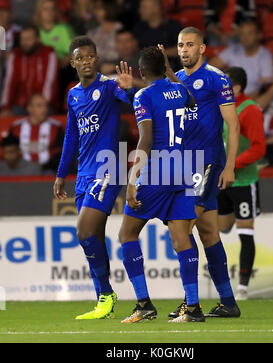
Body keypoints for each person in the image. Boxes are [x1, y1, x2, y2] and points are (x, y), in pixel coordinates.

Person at [118, 46, 205, 324]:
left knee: (127, 235)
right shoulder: (179, 90)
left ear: (141, 72)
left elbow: (145, 140)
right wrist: (170, 71)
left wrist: (132, 181)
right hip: (183, 171)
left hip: (157, 174)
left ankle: (144, 304)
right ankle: (192, 308)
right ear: (165, 67)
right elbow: (192, 101)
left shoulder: (143, 95)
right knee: (182, 240)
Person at [160, 26, 241, 318]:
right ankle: (228, 303)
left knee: (180, 228)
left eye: (190, 45)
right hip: (183, 165)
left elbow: (233, 124)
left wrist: (229, 165)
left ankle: (190, 303)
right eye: (180, 45)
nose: (184, 50)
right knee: (208, 232)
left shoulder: (216, 78)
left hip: (207, 162)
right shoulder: (178, 79)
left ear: (202, 49)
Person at [53, 36, 133, 320]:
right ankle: (104, 299)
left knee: (83, 231)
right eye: (80, 58)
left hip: (108, 169)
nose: (86, 62)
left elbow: (136, 102)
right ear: (72, 62)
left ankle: (106, 294)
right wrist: (62, 174)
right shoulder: (73, 94)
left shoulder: (110, 86)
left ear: (96, 59)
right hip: (84, 174)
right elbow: (72, 136)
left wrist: (131, 89)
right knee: (93, 236)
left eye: (90, 57)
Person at [218, 66, 266, 300]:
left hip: (243, 181)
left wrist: (232, 164)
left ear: (235, 88)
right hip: (221, 181)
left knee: (245, 232)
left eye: (224, 85)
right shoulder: (220, 108)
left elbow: (259, 147)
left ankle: (243, 287)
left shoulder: (250, 110)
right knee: (216, 227)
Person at [0, 24, 59, 116]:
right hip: (20, 105)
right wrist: (5, 107)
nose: (24, 42)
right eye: (22, 39)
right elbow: (9, 82)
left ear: (38, 39)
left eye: (28, 39)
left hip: (44, 103)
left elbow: (50, 81)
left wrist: (40, 105)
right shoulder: (15, 55)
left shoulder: (49, 54)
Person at [209, 19, 273, 98]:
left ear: (259, 35)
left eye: (249, 33)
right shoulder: (233, 50)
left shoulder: (265, 55)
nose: (245, 38)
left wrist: (240, 101)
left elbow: (264, 90)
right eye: (242, 34)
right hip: (229, 98)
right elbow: (209, 67)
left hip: (252, 102)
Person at [9, 93, 64, 173]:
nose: (44, 110)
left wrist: (44, 166)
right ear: (29, 108)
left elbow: (61, 153)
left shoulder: (56, 127)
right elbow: (9, 151)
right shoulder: (16, 128)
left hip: (47, 171)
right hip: (19, 171)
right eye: (39, 106)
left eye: (45, 106)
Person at [133, 0, 182, 71]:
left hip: (170, 69)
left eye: (143, 7)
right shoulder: (139, 28)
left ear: (156, 8)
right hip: (143, 69)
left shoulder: (173, 26)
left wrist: (157, 53)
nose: (140, 10)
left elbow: (181, 49)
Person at [87, 0, 123, 67]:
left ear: (109, 9)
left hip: (118, 68)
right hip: (97, 70)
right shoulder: (92, 33)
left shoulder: (120, 29)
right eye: (95, 9)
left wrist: (114, 66)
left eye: (99, 8)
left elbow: (128, 55)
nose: (96, 12)